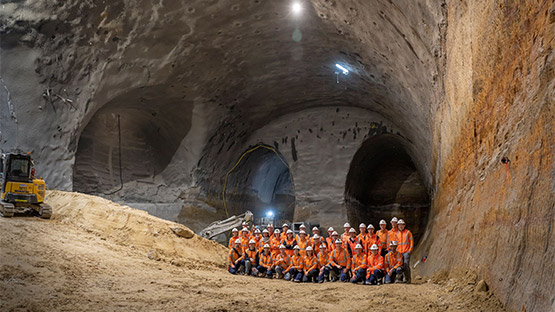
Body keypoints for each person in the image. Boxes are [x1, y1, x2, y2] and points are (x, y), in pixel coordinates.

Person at [396, 219, 414, 283]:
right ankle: (400, 279)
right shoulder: (397, 233)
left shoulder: (408, 232)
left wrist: (410, 250)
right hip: (399, 253)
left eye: (402, 225)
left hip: (406, 251)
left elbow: (411, 242)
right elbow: (396, 243)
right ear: (398, 226)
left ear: (404, 225)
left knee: (406, 265)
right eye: (399, 225)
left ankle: (408, 279)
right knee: (400, 265)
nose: (401, 226)